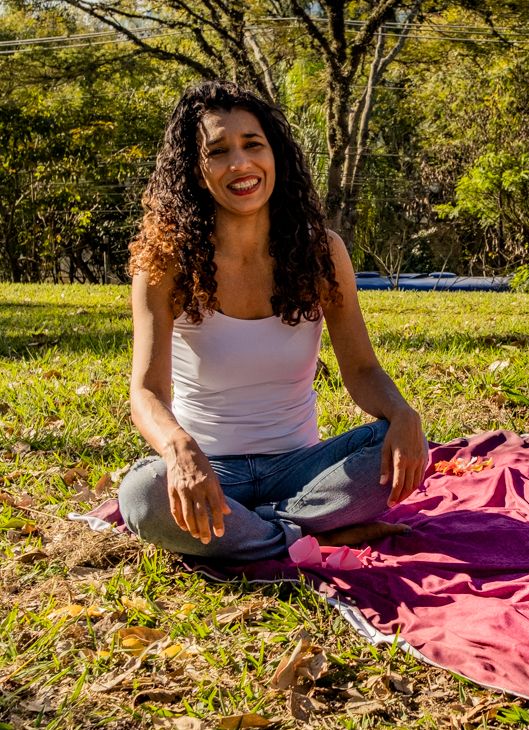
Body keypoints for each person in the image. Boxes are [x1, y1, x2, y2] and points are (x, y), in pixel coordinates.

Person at [118, 80, 428, 562]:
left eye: (252, 145)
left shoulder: (322, 252)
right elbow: (146, 391)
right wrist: (179, 449)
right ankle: (305, 534)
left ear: (275, 154)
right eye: (218, 151)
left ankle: (253, 532)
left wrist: (403, 413)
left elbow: (362, 370)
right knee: (142, 495)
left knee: (394, 445)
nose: (240, 164)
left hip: (304, 471)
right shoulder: (165, 262)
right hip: (211, 471)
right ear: (196, 170)